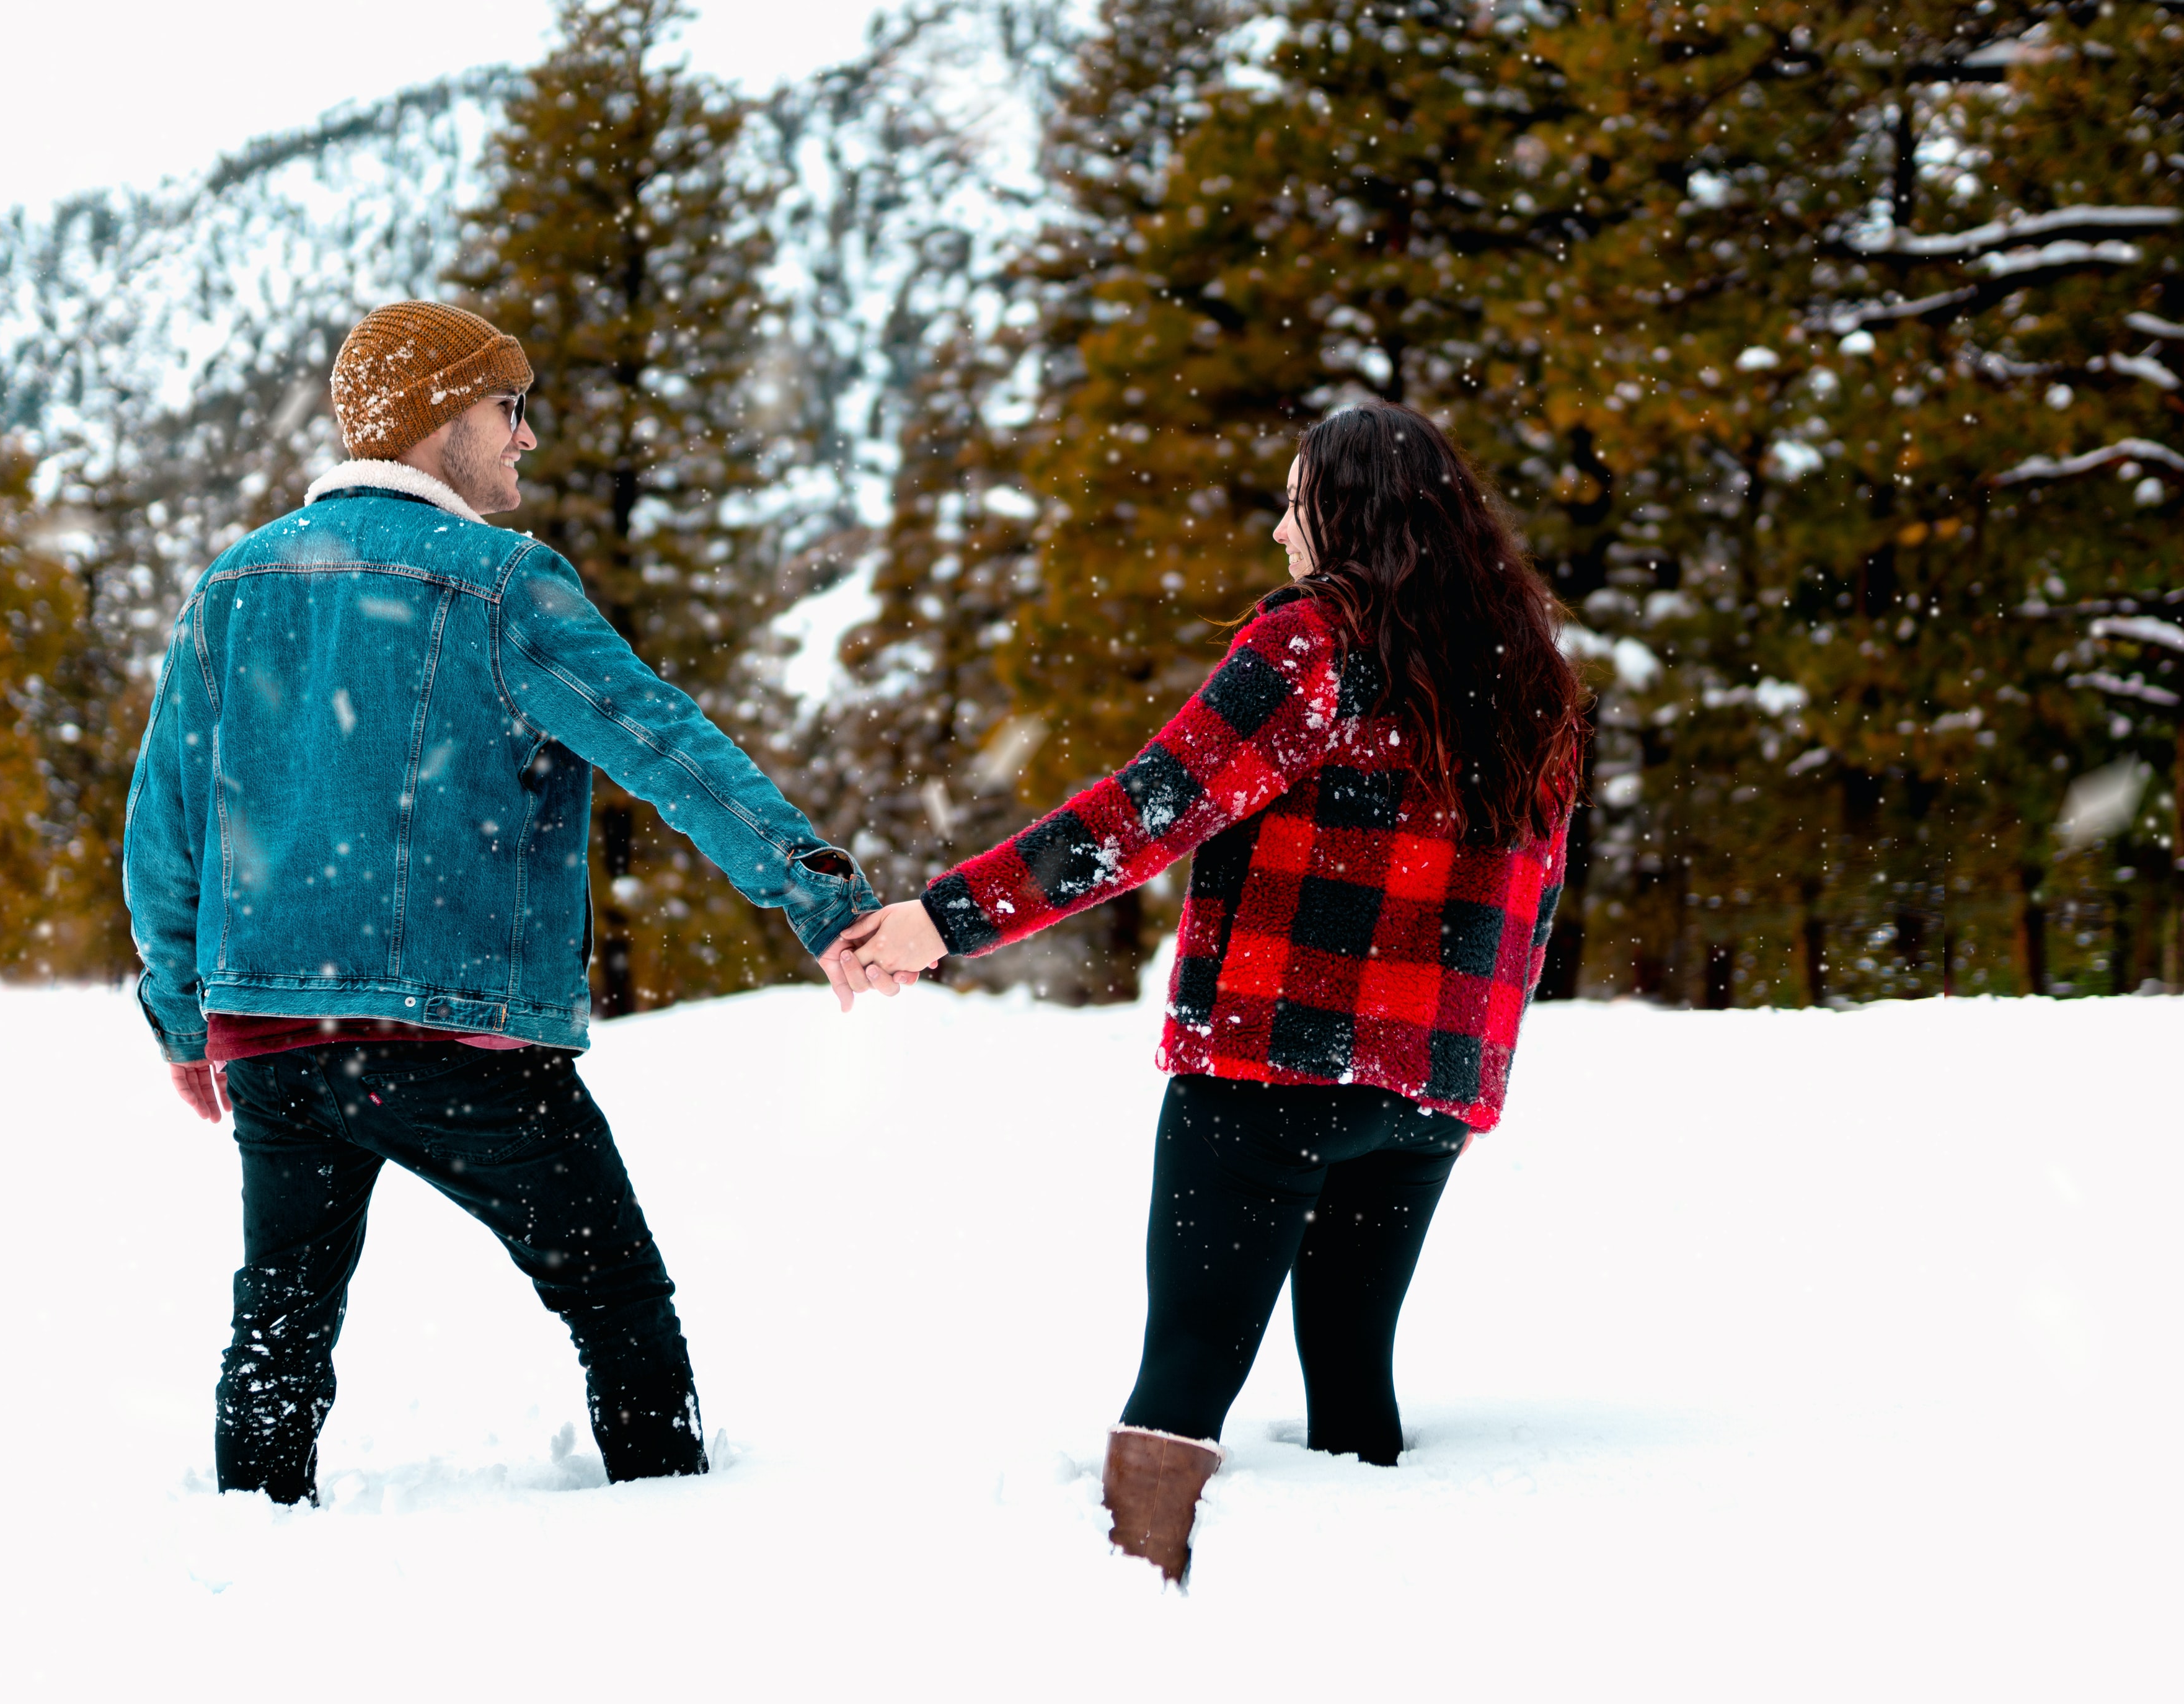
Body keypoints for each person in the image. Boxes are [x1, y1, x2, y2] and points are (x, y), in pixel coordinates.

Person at [123, 301, 901, 1506]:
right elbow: (667, 748)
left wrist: (187, 1023)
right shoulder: (501, 586)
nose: (525, 438)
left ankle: (250, 1547)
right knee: (615, 1300)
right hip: (464, 1039)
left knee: (277, 1328)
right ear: (437, 419)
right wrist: (815, 896)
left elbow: (165, 832)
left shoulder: (233, 584)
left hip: (278, 1039)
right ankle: (676, 1519)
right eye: (508, 408)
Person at [841, 402, 1586, 1584]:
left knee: (1184, 1376)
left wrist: (947, 918)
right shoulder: (1528, 669)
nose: (1282, 527)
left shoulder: (1317, 644)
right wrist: (1466, 1064)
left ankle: (1132, 1608)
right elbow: (1532, 901)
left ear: (1347, 513)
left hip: (1273, 1067)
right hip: (1428, 1094)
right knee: (1352, 1380)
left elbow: (1148, 810)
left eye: (1299, 499)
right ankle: (1373, 1614)